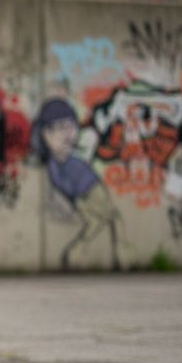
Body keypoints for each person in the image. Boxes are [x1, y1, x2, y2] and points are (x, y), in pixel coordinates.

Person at [32, 98, 128, 271]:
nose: (68, 134)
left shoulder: (69, 160)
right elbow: (60, 182)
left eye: (71, 126)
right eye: (61, 128)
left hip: (90, 188)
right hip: (86, 190)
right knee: (111, 218)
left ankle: (79, 253)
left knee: (98, 221)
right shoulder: (56, 164)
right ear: (45, 133)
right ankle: (120, 257)